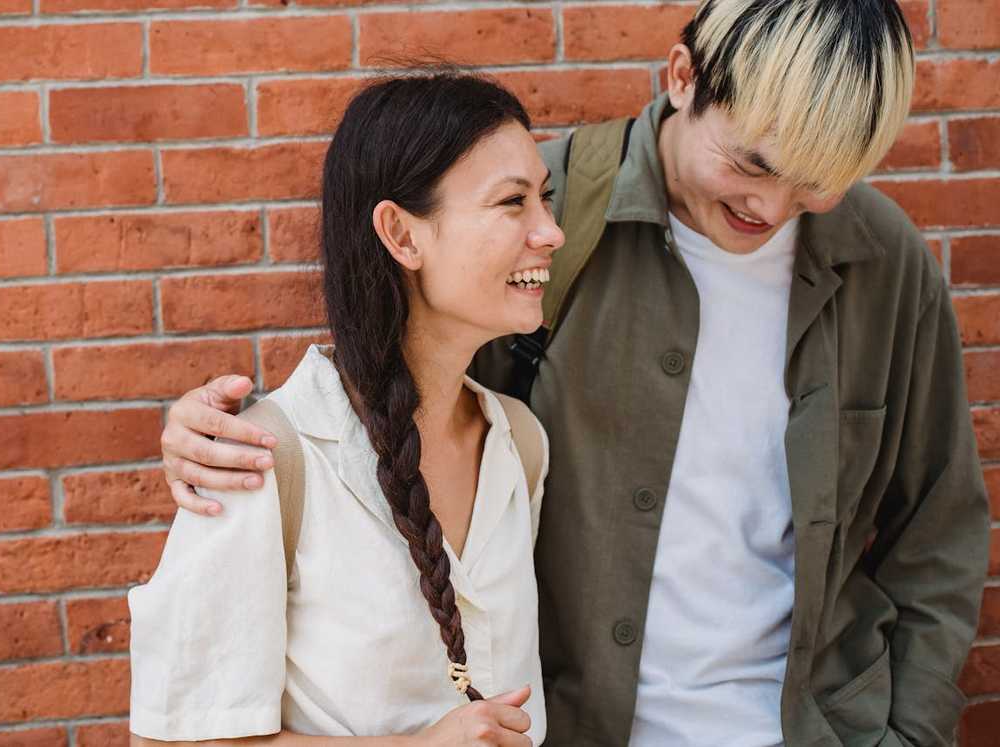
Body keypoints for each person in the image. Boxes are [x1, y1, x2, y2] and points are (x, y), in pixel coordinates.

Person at [155, 1, 992, 745]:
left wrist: (912, 729)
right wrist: (228, 432)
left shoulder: (888, 267)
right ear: (681, 76)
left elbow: (937, 529)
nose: (772, 211)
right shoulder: (543, 218)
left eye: (818, 186)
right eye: (753, 165)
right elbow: (392, 378)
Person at [129, 71, 565, 746]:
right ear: (402, 235)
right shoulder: (266, 458)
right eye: (513, 203)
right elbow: (170, 739)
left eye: (547, 198)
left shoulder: (519, 444)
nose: (551, 232)